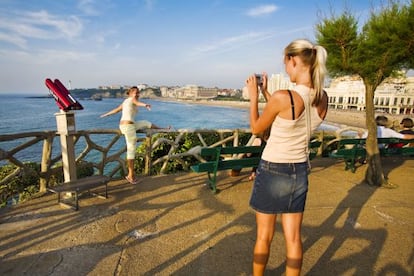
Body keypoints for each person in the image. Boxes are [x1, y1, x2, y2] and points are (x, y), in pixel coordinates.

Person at [246, 39, 328, 276]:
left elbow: (257, 129)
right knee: (293, 238)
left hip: (273, 170)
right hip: (299, 170)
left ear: (294, 61)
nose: (285, 69)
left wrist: (253, 97)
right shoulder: (322, 97)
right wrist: (266, 94)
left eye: (286, 64)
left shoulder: (284, 97)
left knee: (264, 236)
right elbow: (290, 114)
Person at [100, 86, 164, 184]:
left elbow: (116, 110)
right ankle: (130, 176)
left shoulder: (126, 101)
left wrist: (105, 115)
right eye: (135, 92)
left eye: (138, 92)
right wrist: (145, 105)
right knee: (131, 151)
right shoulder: (132, 99)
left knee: (145, 123)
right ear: (130, 93)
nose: (137, 94)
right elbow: (137, 103)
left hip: (126, 125)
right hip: (128, 127)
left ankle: (162, 128)